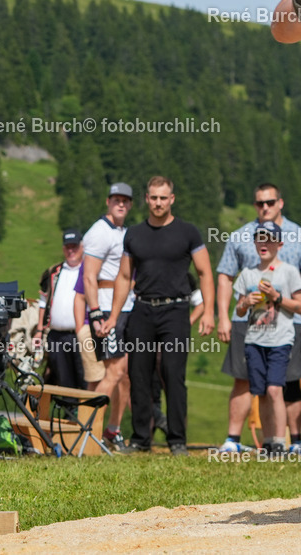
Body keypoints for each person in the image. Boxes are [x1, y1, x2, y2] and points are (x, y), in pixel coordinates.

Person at [105, 176, 215, 455]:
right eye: (153, 198)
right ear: (147, 199)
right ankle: (141, 439)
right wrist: (113, 316)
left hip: (175, 311)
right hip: (142, 309)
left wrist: (209, 312)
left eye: (163, 198)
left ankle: (177, 440)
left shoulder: (188, 232)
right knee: (138, 374)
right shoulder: (134, 234)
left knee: (173, 374)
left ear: (171, 199)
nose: (158, 203)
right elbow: (124, 277)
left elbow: (205, 273)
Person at [215, 183, 301, 454]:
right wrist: (224, 317)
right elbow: (225, 277)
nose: (265, 207)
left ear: (280, 203)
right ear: (254, 205)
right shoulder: (241, 236)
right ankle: (234, 439)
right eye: (260, 203)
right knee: (246, 381)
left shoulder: (298, 234)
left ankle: (294, 441)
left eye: (270, 202)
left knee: (288, 382)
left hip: (291, 321)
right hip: (248, 323)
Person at [232, 220, 301, 455]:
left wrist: (276, 297)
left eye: (270, 240)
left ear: (279, 244)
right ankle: (269, 443)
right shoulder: (248, 274)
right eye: (260, 239)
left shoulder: (289, 272)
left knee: (274, 390)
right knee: (260, 392)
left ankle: (280, 442)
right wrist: (245, 303)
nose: (264, 244)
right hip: (254, 340)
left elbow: (299, 306)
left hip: (281, 340)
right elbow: (239, 309)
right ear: (254, 243)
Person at [81, 182, 135, 450]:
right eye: (116, 199)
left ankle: (112, 429)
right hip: (105, 305)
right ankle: (86, 430)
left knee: (123, 375)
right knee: (112, 372)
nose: (121, 204)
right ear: (108, 201)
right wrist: (95, 313)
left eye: (125, 200)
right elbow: (89, 276)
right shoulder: (99, 231)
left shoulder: (123, 232)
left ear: (131, 204)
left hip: (125, 306)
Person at [34, 229, 86, 389]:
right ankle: (66, 406)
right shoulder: (53, 272)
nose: (71, 251)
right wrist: (39, 330)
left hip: (82, 335)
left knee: (84, 378)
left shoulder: (89, 272)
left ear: (82, 247)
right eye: (67, 247)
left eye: (74, 247)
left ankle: (85, 406)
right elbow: (43, 302)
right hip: (56, 336)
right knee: (62, 380)